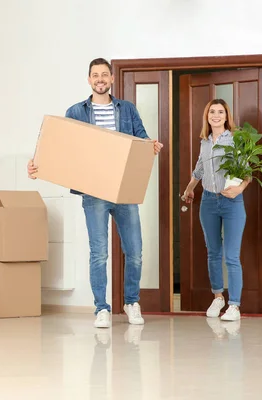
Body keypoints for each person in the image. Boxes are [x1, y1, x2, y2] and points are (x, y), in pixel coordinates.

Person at [27, 58, 163, 328]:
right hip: (94, 191)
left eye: (104, 75)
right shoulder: (76, 112)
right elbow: (60, 149)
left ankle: (131, 302)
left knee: (134, 251)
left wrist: (152, 146)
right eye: (95, 75)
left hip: (123, 189)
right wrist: (37, 164)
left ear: (112, 79)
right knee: (99, 252)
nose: (100, 79)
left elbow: (141, 139)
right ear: (89, 80)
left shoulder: (127, 110)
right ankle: (101, 308)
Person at [181, 99, 249, 322]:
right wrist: (189, 189)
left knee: (231, 256)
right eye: (212, 112)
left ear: (227, 116)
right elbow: (199, 169)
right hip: (209, 202)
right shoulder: (205, 142)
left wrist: (239, 188)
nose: (216, 115)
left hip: (231, 204)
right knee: (213, 253)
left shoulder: (235, 139)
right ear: (207, 116)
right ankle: (218, 296)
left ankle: (235, 305)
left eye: (221, 112)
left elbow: (247, 170)